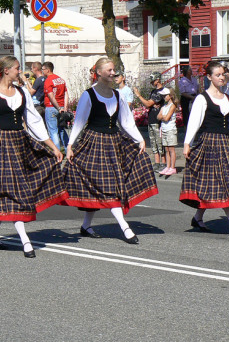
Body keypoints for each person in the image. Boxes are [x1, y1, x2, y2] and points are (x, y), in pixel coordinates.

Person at [0, 56, 66, 258]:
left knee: (10, 189)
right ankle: (25, 240)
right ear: (6, 71)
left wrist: (52, 147)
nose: (21, 73)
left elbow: (34, 122)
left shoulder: (22, 92)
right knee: (13, 189)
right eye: (17, 69)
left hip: (20, 144)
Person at [63, 58, 158, 244]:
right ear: (98, 72)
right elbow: (79, 122)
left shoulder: (117, 95)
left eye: (114, 70)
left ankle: (86, 226)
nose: (113, 73)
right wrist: (69, 145)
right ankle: (125, 227)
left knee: (108, 184)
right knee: (106, 186)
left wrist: (139, 139)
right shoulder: (88, 95)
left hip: (114, 143)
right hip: (94, 144)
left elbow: (126, 121)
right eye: (109, 70)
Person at [181, 60, 229, 238]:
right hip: (209, 144)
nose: (221, 77)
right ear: (209, 77)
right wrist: (187, 143)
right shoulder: (202, 98)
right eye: (217, 75)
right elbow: (194, 122)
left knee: (220, 183)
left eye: (223, 74)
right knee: (220, 183)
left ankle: (198, 217)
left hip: (227, 143)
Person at [133, 72, 165, 172]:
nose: (151, 82)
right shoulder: (153, 91)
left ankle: (163, 163)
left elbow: (148, 103)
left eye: (153, 80)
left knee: (160, 143)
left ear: (158, 80)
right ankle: (156, 163)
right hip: (151, 120)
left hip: (157, 121)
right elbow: (150, 104)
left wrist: (138, 95)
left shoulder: (162, 91)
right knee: (153, 142)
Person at [42, 61, 69, 151]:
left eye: (43, 69)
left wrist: (58, 107)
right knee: (61, 130)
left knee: (53, 132)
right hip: (61, 107)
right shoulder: (61, 80)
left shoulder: (48, 81)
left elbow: (51, 96)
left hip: (51, 107)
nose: (42, 71)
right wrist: (64, 108)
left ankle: (57, 153)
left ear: (48, 70)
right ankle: (67, 149)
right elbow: (66, 94)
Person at [157, 88, 178, 175]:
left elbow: (166, 117)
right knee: (166, 149)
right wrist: (163, 116)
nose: (164, 97)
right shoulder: (164, 107)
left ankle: (172, 167)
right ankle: (168, 166)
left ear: (170, 96)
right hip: (164, 129)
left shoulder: (172, 105)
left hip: (170, 129)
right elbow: (158, 117)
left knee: (171, 149)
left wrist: (163, 116)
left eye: (166, 95)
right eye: (163, 96)